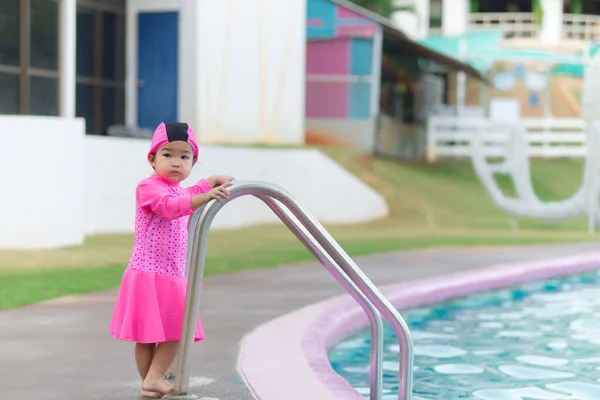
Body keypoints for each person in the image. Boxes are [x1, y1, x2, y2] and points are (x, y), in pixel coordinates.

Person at [109, 121, 234, 398]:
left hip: (168, 273)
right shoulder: (148, 187)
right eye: (168, 155)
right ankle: (153, 378)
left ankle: (152, 381)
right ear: (152, 160)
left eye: (184, 156)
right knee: (160, 333)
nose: (176, 162)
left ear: (192, 162)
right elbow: (168, 207)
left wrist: (210, 181)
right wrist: (203, 197)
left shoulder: (180, 190)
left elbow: (185, 194)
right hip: (148, 272)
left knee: (173, 329)